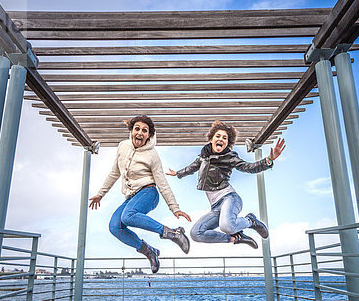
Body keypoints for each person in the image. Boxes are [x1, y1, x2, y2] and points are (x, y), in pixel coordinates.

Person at [89, 115, 191, 273]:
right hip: (131, 197)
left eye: (145, 130)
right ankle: (150, 251)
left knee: (127, 216)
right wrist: (100, 194)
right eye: (137, 129)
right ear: (131, 130)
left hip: (149, 192)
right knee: (115, 227)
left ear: (149, 135)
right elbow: (114, 173)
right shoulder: (122, 147)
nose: (140, 133)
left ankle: (172, 233)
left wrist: (174, 208)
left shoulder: (152, 155)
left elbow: (162, 182)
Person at [167, 120, 285, 249]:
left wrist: (268, 160)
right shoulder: (203, 157)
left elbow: (249, 167)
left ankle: (250, 221)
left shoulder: (230, 157)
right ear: (211, 139)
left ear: (227, 143)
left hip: (230, 198)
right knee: (196, 233)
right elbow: (192, 168)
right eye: (218, 136)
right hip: (216, 207)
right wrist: (177, 174)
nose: (221, 139)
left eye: (225, 138)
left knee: (227, 226)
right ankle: (236, 238)